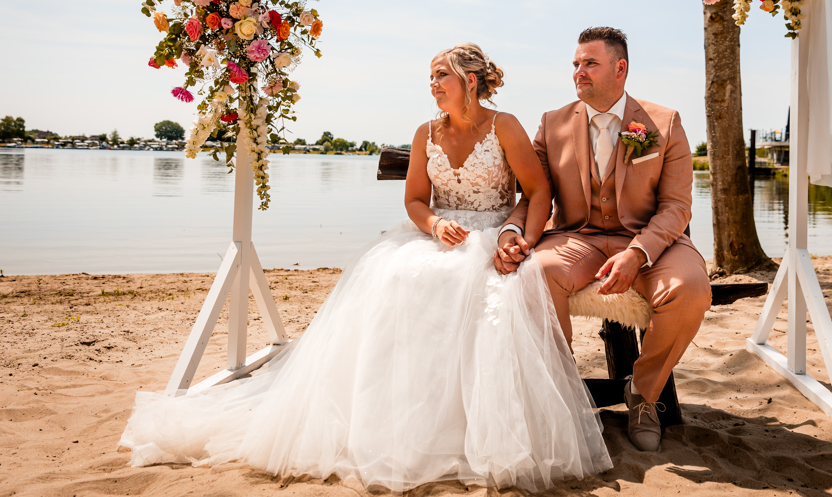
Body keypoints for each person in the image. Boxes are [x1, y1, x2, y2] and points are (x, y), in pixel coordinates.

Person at [119, 44, 611, 492]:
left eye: (441, 75)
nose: (433, 84)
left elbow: (538, 191)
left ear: (470, 80)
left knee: (473, 285)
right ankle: (395, 420)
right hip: (439, 233)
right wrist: (435, 224)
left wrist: (519, 240)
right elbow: (415, 200)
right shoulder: (426, 133)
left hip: (494, 235)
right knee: (396, 276)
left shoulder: (504, 125)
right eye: (430, 77)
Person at [495, 27, 711, 453]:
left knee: (690, 290)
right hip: (579, 237)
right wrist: (511, 232)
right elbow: (534, 195)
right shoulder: (552, 123)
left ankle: (643, 392)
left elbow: (676, 206)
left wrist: (638, 252)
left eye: (590, 63)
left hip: (651, 241)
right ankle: (562, 390)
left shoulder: (663, 122)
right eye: (576, 64)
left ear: (620, 68)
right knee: (537, 273)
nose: (579, 71)